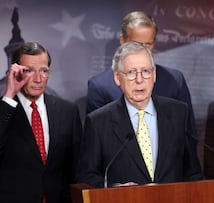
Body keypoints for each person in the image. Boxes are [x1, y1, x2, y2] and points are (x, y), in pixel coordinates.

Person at [78, 41, 203, 188]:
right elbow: (86, 176)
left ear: (154, 75)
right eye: (131, 73)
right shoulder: (98, 122)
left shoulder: (178, 113)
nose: (139, 80)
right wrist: (115, 189)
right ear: (117, 78)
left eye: (145, 71)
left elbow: (193, 172)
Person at [0, 42, 82, 203]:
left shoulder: (68, 111)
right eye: (29, 71)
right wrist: (9, 95)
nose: (38, 79)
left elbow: (76, 166)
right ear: (16, 72)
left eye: (44, 71)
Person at [86, 11, 198, 139]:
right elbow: (96, 140)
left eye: (148, 44)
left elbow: (188, 134)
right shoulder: (100, 86)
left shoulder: (174, 80)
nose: (143, 50)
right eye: (137, 45)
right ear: (123, 41)